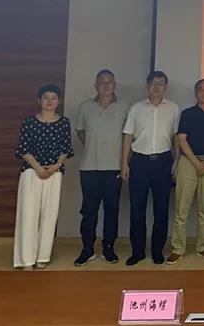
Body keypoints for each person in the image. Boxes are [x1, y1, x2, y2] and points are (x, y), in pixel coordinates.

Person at [121, 71, 180, 266]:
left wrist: (176, 161)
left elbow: (176, 137)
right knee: (137, 209)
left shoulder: (173, 108)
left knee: (161, 210)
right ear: (147, 86)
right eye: (153, 83)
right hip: (139, 162)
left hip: (163, 162)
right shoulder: (136, 108)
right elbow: (128, 136)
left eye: (161, 83)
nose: (156, 87)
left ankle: (157, 251)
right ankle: (137, 252)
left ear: (166, 87)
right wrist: (124, 163)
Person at [14, 84, 74, 269]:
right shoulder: (29, 122)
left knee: (49, 215)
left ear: (59, 101)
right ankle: (26, 259)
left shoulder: (64, 123)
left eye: (54, 98)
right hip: (31, 172)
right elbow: (24, 149)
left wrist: (55, 166)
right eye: (46, 97)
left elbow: (66, 149)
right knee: (28, 215)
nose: (50, 101)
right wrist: (38, 168)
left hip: (54, 173)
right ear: (39, 100)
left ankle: (42, 257)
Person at [166, 79, 204, 264]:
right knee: (181, 209)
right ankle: (178, 248)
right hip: (188, 162)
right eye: (200, 89)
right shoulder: (187, 114)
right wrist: (197, 164)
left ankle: (202, 246)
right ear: (195, 93)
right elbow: (182, 139)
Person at [74, 69, 128, 266]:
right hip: (89, 168)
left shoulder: (124, 107)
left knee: (112, 210)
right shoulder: (85, 107)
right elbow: (80, 132)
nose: (106, 85)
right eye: (102, 82)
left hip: (114, 168)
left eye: (109, 82)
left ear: (115, 85)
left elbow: (129, 135)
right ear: (95, 85)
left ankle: (108, 248)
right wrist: (93, 146)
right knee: (89, 211)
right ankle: (87, 249)